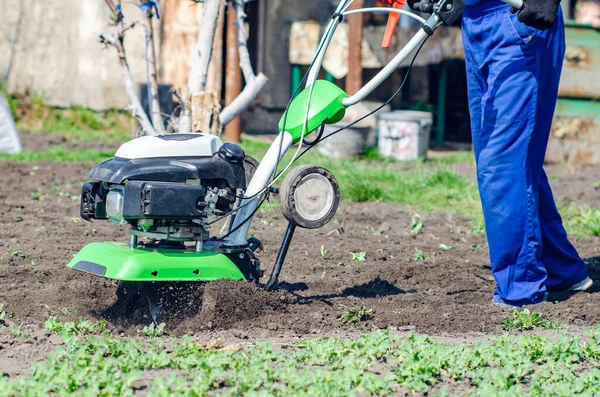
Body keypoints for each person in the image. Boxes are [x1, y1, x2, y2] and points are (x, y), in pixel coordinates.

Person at [408, 0, 593, 307]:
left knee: (502, 162)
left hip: (519, 17)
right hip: (477, 20)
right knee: (514, 159)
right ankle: (561, 270)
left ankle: (521, 290)